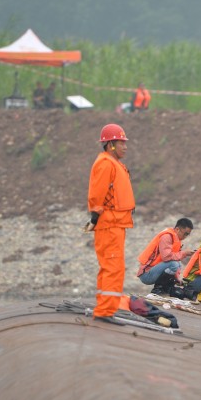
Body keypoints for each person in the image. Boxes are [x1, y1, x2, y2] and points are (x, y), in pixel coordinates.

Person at [86, 123, 135, 321]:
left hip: (116, 223)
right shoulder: (105, 163)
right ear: (110, 144)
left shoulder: (113, 163)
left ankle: (106, 308)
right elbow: (97, 194)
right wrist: (96, 215)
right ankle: (105, 311)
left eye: (124, 142)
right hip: (109, 224)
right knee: (112, 267)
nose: (125, 146)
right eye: (121, 142)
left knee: (112, 267)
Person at [136, 218, 194, 294]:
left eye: (188, 234)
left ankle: (167, 286)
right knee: (174, 264)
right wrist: (184, 253)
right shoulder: (167, 236)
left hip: (154, 270)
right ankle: (159, 288)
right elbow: (166, 257)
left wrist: (176, 279)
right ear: (177, 229)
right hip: (146, 274)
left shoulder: (176, 239)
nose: (186, 236)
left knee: (178, 264)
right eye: (185, 233)